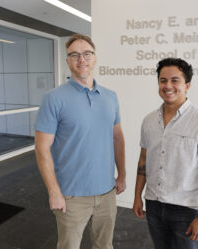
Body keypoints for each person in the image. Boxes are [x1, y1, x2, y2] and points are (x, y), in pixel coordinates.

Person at [35, 33, 126, 249]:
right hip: (71, 195)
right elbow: (42, 148)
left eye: (87, 54)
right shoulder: (53, 98)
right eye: (74, 55)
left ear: (95, 58)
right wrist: (54, 191)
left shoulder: (110, 96)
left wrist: (121, 174)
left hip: (107, 192)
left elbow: (117, 137)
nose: (81, 59)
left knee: (105, 245)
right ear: (67, 61)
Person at [133, 58, 198, 249]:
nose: (168, 86)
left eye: (175, 80)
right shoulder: (148, 121)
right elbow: (143, 159)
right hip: (154, 205)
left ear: (187, 85)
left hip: (186, 210)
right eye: (163, 80)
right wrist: (137, 196)